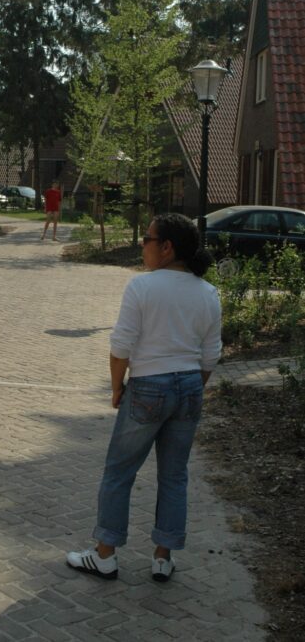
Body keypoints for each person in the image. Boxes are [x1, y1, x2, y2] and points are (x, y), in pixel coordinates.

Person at [66, 213, 221, 583]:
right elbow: (210, 355)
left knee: (119, 472)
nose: (142, 245)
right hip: (189, 385)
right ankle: (163, 558)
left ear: (166, 248)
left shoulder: (142, 286)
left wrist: (117, 387)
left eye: (147, 239)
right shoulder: (208, 293)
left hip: (148, 385)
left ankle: (105, 555)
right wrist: (191, 386)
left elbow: (121, 346)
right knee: (174, 475)